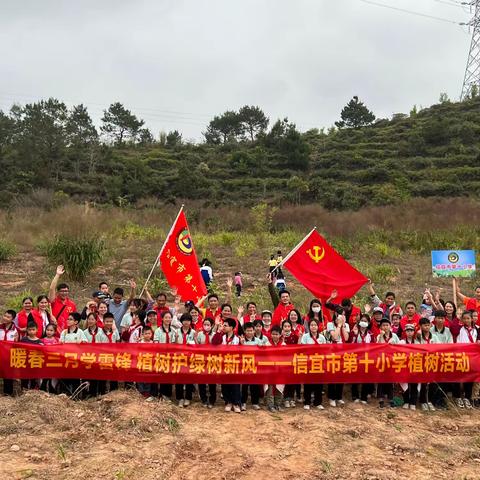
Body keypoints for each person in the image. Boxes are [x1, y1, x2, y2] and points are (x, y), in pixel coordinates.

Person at [212, 318, 242, 413]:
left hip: (234, 364)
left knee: (235, 385)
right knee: (225, 384)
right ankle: (228, 402)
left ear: (232, 327)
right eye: (223, 325)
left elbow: (242, 352)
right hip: (223, 364)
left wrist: (243, 343)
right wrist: (218, 331)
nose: (223, 327)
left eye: (226, 325)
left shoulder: (238, 339)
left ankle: (236, 403)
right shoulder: (222, 337)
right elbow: (214, 343)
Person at [300, 320, 326, 410]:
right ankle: (307, 402)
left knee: (319, 384)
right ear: (309, 326)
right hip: (308, 363)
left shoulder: (322, 337)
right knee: (308, 384)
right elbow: (302, 349)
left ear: (318, 326)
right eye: (311, 325)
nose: (313, 327)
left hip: (319, 363)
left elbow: (325, 350)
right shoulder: (305, 336)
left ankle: (318, 402)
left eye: (315, 325)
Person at [349, 314, 375, 404]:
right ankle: (355, 396)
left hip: (367, 358)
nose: (363, 322)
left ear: (368, 323)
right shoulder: (354, 332)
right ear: (359, 322)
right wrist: (355, 335)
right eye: (362, 320)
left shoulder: (371, 334)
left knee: (366, 378)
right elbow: (350, 345)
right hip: (356, 357)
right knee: (355, 378)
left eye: (365, 321)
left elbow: (374, 346)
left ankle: (364, 397)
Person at [454, 311, 477, 409]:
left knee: (470, 377)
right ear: (462, 319)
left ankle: (467, 397)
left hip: (473, 357)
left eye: (468, 318)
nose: (466, 320)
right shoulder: (460, 330)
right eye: (465, 318)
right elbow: (458, 342)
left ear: (472, 319)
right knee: (459, 377)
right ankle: (458, 397)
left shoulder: (476, 330)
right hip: (462, 356)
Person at [153, 311, 177, 402]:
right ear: (162, 319)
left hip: (170, 357)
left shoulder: (174, 330)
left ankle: (168, 394)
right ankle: (161, 394)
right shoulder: (158, 331)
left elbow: (174, 344)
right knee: (162, 375)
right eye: (166, 317)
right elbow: (156, 343)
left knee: (169, 375)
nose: (168, 319)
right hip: (161, 356)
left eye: (169, 317)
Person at [376, 318, 399, 408]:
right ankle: (381, 399)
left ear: (390, 326)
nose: (385, 327)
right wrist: (381, 336)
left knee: (390, 380)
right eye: (383, 325)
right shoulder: (379, 336)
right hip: (382, 361)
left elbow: (399, 347)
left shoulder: (395, 336)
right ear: (381, 327)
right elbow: (377, 347)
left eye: (387, 325)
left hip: (392, 361)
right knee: (381, 380)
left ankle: (391, 399)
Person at [195, 317, 217, 408]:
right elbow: (197, 346)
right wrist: (195, 338)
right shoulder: (200, 334)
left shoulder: (215, 334)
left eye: (208, 325)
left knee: (212, 381)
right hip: (202, 360)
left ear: (212, 325)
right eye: (205, 324)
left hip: (212, 360)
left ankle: (212, 400)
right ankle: (204, 399)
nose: (206, 326)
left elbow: (217, 346)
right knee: (202, 381)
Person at [48, 265, 77, 332]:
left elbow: (75, 321)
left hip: (68, 334)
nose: (64, 293)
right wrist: (57, 275)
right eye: (62, 291)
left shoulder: (72, 304)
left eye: (66, 291)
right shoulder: (53, 301)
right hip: (55, 334)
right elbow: (51, 289)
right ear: (57, 292)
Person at [176, 313, 196, 407]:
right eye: (184, 320)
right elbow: (173, 345)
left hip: (190, 359)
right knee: (179, 379)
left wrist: (195, 340)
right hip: (179, 358)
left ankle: (188, 398)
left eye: (188, 320)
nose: (186, 322)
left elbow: (197, 346)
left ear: (190, 322)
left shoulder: (193, 332)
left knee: (189, 378)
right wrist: (176, 339)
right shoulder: (176, 332)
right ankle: (180, 398)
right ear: (181, 321)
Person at [240, 322, 261, 411]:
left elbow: (262, 353)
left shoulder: (258, 341)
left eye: (251, 330)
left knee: (255, 385)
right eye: (248, 331)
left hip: (255, 366)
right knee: (244, 386)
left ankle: (255, 402)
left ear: (254, 331)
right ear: (244, 331)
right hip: (245, 366)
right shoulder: (241, 340)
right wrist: (242, 344)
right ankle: (243, 402)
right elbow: (239, 352)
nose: (249, 332)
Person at [265, 326, 285, 412]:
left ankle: (278, 404)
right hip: (269, 370)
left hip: (280, 370)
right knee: (270, 388)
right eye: (273, 334)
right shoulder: (267, 344)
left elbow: (286, 357)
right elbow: (264, 356)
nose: (275, 336)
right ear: (270, 334)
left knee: (279, 387)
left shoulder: (284, 345)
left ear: (280, 335)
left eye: (277, 334)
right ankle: (270, 405)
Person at [20, 322, 43, 390]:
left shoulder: (39, 341)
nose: (31, 331)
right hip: (25, 363)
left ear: (37, 330)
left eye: (33, 329)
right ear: (27, 330)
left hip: (34, 363)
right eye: (29, 330)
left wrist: (42, 347)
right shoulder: (24, 340)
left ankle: (32, 392)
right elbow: (20, 350)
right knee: (24, 379)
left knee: (34, 379)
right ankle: (23, 391)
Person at [400, 324, 417, 411]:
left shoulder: (417, 342)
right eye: (408, 331)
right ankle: (406, 401)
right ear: (405, 332)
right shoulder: (402, 342)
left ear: (414, 332)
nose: (409, 332)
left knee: (414, 384)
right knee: (404, 384)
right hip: (404, 366)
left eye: (411, 331)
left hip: (415, 366)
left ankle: (413, 402)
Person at [0, 309, 18, 395]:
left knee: (8, 375)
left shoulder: (15, 330)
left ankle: (8, 393)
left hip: (9, 356)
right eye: (5, 316)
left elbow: (16, 343)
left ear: (12, 319)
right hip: (0, 355)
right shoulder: (0, 327)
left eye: (8, 317)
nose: (5, 318)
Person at [137, 326, 157, 400]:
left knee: (148, 378)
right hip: (141, 363)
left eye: (149, 333)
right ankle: (141, 391)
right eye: (146, 333)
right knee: (141, 378)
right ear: (142, 334)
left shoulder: (153, 343)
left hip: (150, 363)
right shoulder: (139, 343)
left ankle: (147, 392)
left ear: (151, 334)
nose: (147, 335)